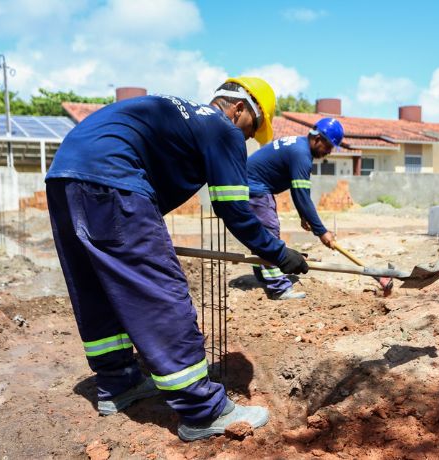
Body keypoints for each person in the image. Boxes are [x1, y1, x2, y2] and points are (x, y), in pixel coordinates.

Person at [44, 77, 309, 442]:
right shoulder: (222, 128)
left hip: (63, 176)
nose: (247, 139)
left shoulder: (183, 118)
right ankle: (203, 411)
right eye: (252, 129)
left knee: (96, 286)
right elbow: (234, 209)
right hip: (113, 181)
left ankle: (118, 382)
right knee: (161, 293)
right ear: (239, 109)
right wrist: (279, 254)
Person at [246, 118, 344, 300]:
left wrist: (302, 216)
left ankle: (263, 276)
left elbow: (298, 192)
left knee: (261, 234)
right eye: (329, 147)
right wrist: (321, 232)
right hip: (255, 188)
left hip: (251, 185)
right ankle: (278, 288)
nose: (328, 152)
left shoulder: (299, 146)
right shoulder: (302, 155)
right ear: (318, 139)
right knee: (269, 234)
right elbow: (302, 195)